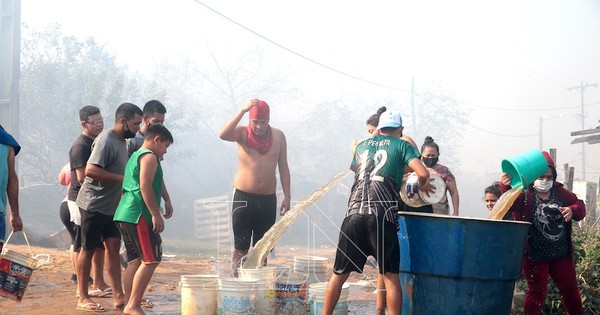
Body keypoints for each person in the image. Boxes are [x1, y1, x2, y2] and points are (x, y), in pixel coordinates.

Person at [323, 110, 435, 315]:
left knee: (338, 275)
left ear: (379, 128)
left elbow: (359, 170)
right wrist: (421, 184)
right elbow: (422, 173)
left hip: (353, 215)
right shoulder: (402, 145)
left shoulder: (362, 145)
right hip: (381, 216)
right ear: (400, 129)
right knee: (391, 277)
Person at [361, 106, 429, 315]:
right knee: (384, 265)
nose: (371, 136)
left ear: (381, 129)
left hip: (403, 201)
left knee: (393, 264)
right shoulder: (375, 145)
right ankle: (380, 308)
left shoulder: (404, 143)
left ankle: (400, 306)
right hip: (383, 201)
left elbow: (419, 170)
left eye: (372, 130)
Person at [75, 102, 143, 312]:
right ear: (122, 121)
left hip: (112, 207)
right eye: (135, 124)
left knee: (113, 248)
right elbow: (90, 170)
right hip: (93, 204)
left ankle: (118, 296)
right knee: (88, 248)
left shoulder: (124, 142)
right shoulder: (106, 139)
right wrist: (123, 180)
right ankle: (83, 296)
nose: (137, 128)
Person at [500, 151, 585, 315]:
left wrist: (572, 210)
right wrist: (505, 185)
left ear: (554, 177)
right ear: (533, 177)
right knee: (536, 293)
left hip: (560, 254)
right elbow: (508, 203)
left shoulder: (560, 193)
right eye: (541, 176)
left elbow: (579, 205)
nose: (545, 180)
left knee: (571, 291)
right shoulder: (524, 195)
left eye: (549, 177)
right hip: (534, 255)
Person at [219, 98, 291, 277]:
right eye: (255, 122)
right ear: (250, 121)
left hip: (267, 199)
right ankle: (236, 283)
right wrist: (242, 111)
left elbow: (283, 167)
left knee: (262, 248)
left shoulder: (279, 136)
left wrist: (287, 196)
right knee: (241, 247)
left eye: (263, 122)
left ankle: (258, 285)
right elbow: (222, 134)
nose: (259, 127)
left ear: (268, 120)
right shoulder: (242, 133)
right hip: (243, 197)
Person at [114, 124, 173, 315]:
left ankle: (129, 302)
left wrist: (167, 198)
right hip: (139, 214)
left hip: (124, 214)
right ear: (156, 139)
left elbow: (156, 180)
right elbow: (145, 186)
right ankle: (133, 305)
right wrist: (156, 214)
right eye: (165, 146)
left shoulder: (136, 156)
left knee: (135, 261)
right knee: (151, 259)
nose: (165, 150)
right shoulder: (149, 157)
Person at [67, 105, 110, 296]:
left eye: (101, 120)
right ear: (84, 124)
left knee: (98, 244)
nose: (100, 124)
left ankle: (98, 282)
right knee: (81, 244)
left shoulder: (98, 141)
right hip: (80, 200)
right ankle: (80, 288)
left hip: (97, 200)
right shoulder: (80, 146)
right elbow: (83, 177)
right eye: (95, 122)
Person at [420, 136, 460, 216]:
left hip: (440, 212)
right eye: (428, 155)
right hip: (420, 211)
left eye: (433, 155)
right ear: (422, 154)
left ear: (438, 155)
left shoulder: (445, 171)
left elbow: (454, 192)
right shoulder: (417, 170)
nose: (430, 158)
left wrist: (456, 212)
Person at [0, 125, 23, 252]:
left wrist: (15, 214)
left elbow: (11, 178)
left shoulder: (6, 141)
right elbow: (12, 179)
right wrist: (14, 214)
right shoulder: (7, 141)